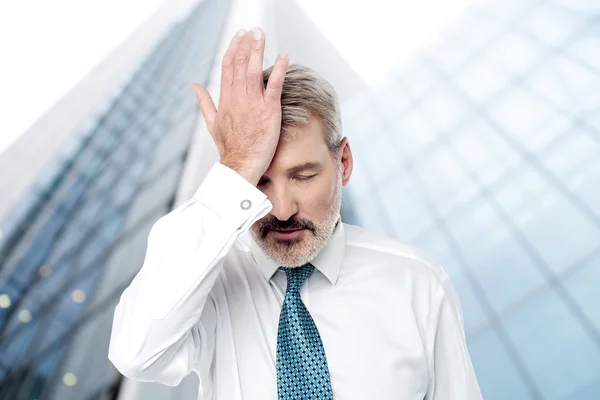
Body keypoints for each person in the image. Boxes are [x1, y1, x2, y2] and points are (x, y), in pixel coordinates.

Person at [108, 26, 483, 400]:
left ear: (344, 163)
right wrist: (238, 165)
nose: (282, 210)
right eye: (259, 183)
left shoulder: (416, 283)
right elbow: (136, 355)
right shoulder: (209, 282)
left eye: (303, 176)